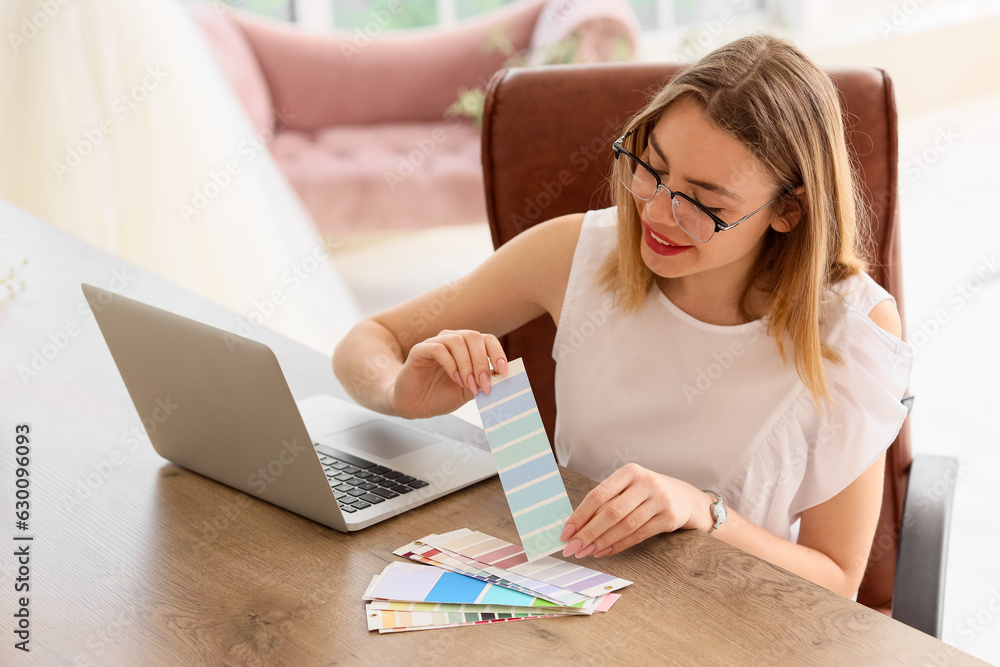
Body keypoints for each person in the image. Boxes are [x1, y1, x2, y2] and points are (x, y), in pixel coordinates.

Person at [332, 33, 913, 599]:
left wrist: (703, 512)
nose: (657, 213)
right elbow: (371, 338)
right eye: (651, 168)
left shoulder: (853, 330)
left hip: (726, 621)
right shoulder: (576, 253)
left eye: (705, 204)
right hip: (563, 594)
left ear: (787, 210)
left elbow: (838, 580)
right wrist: (396, 392)